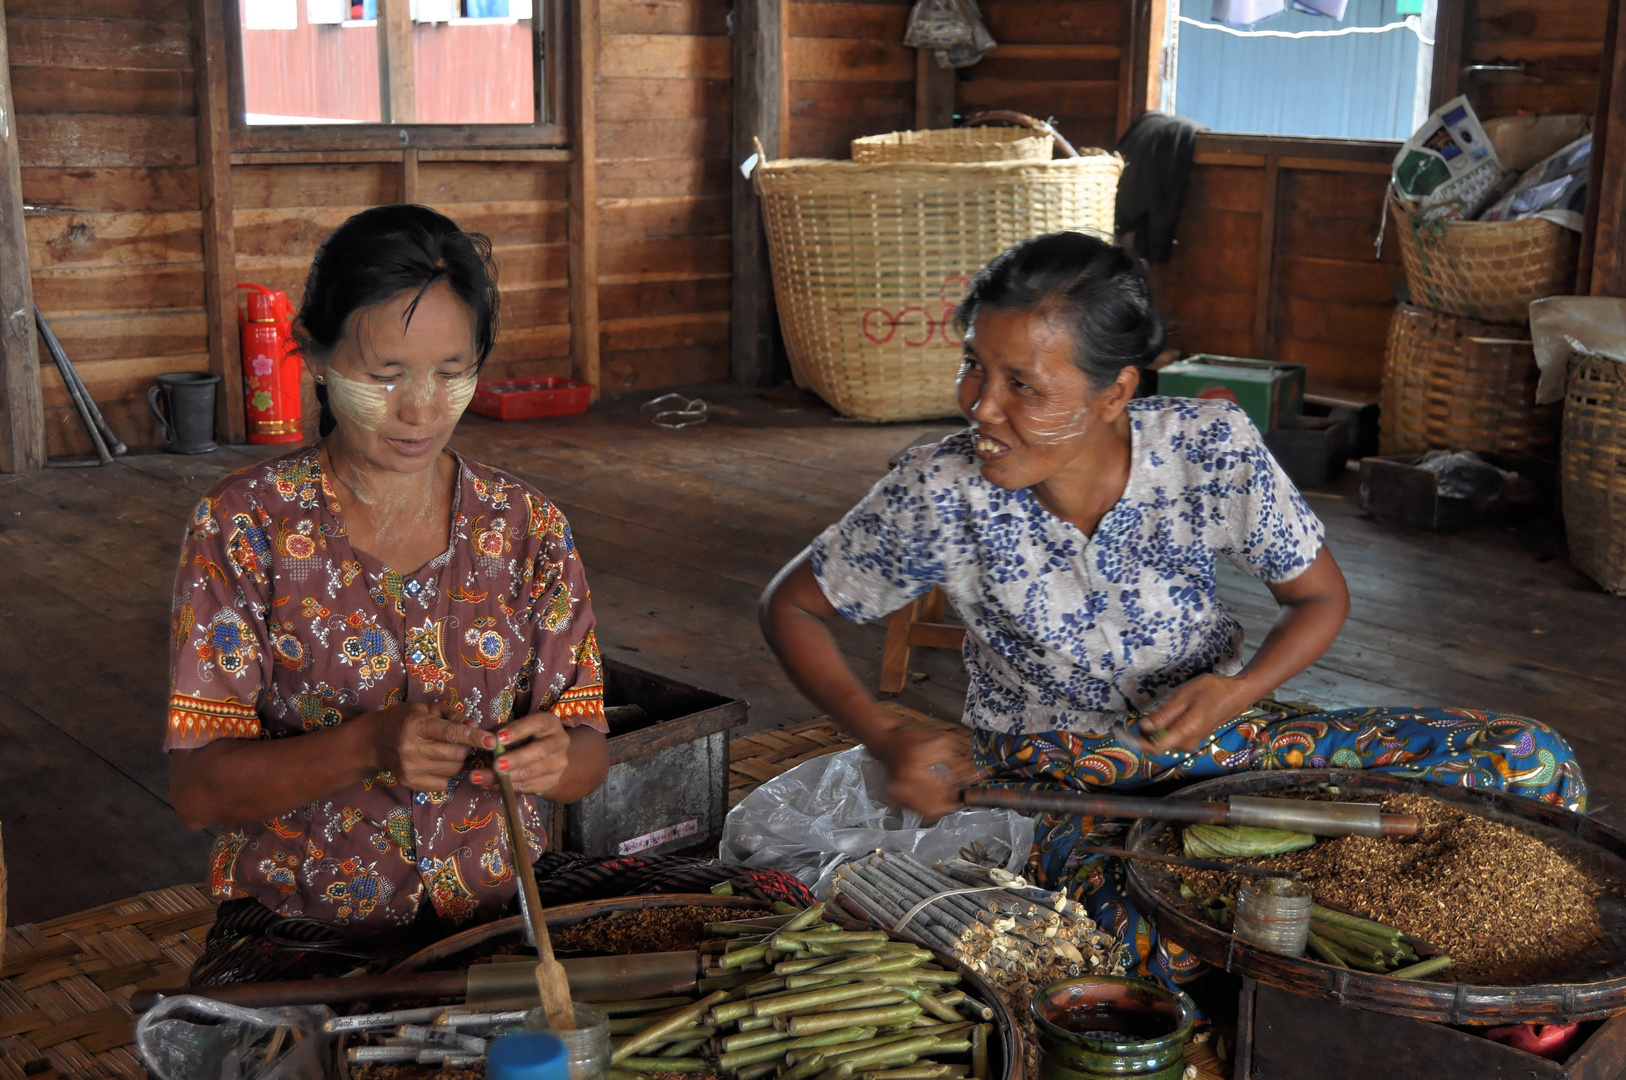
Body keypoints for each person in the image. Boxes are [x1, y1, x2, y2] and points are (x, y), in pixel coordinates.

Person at [760, 231, 1585, 987]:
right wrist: (887, 729)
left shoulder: (1206, 447)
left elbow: (1317, 597)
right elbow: (791, 608)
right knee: (1140, 953)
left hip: (1231, 742)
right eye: (974, 365)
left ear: (1116, 390)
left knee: (1525, 761)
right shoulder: (940, 490)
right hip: (1051, 775)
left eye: (1022, 385)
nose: (980, 405)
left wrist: (1239, 688)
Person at [167, 205, 609, 930]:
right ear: (313, 355)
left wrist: (555, 763)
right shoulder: (246, 527)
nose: (421, 409)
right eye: (386, 375)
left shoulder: (527, 527)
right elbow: (197, 790)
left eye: (452, 371)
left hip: (492, 923)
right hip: (303, 934)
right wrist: (366, 746)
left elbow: (589, 749)